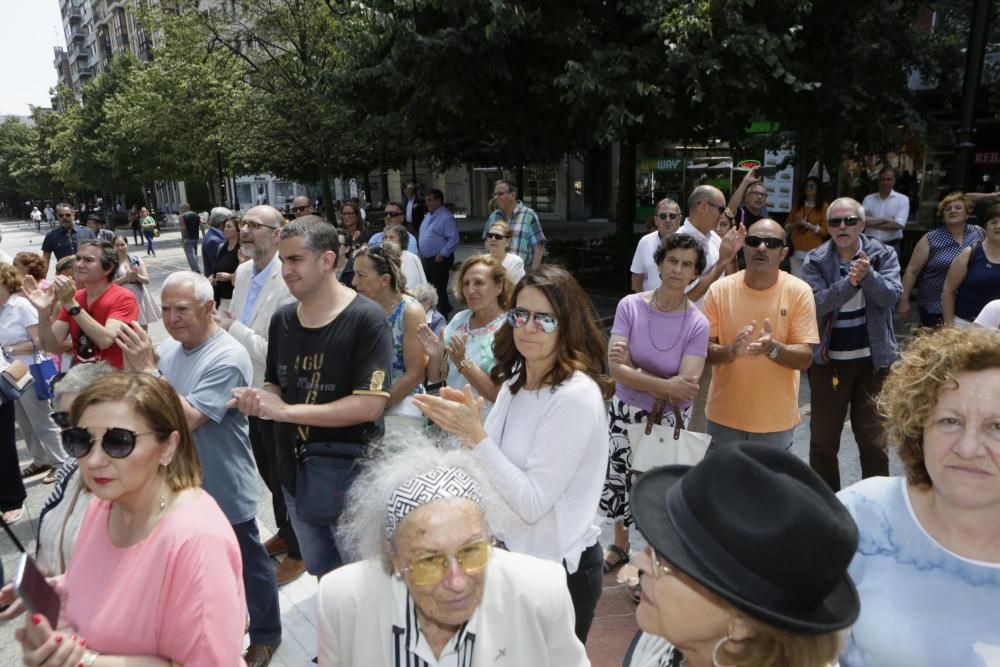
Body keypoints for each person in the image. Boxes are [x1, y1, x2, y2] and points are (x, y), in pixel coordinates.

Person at [413, 265, 615, 643]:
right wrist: (467, 427)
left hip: (558, 574)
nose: (528, 327)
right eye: (520, 314)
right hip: (511, 560)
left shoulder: (575, 395)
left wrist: (474, 434)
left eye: (545, 319)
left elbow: (531, 501)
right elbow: (489, 466)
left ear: (568, 323)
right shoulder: (518, 378)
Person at [2, 372, 248, 665]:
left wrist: (84, 661)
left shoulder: (198, 541)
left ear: (168, 446)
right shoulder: (105, 505)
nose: (93, 460)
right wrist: (57, 590)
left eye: (118, 442)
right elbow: (115, 582)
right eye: (79, 440)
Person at [116, 271, 282, 666]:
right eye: (167, 308)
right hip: (178, 485)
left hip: (222, 482)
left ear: (209, 308)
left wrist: (150, 372)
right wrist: (137, 370)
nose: (171, 318)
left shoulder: (227, 355)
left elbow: (186, 418)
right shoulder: (173, 350)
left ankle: (266, 634)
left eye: (182, 309)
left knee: (248, 563)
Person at [317, 438, 589, 666]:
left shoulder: (541, 592)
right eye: (430, 560)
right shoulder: (342, 600)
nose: (457, 582)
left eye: (471, 551)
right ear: (395, 557)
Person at [232, 216, 393, 578]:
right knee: (324, 575)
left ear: (327, 260)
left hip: (352, 480)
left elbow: (369, 405)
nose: (285, 270)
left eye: (295, 260)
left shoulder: (366, 319)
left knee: (362, 583)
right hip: (295, 477)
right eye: (283, 259)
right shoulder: (284, 319)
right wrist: (260, 398)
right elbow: (275, 381)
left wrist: (286, 412)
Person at [837, 325, 1000, 665]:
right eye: (949, 421)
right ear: (918, 425)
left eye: (997, 427)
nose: (968, 449)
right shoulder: (860, 517)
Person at [624, 441, 859, 667]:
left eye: (665, 561)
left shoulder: (669, 634)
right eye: (653, 548)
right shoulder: (662, 643)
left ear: (742, 625)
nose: (638, 561)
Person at [600, 234, 709, 581]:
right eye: (672, 260)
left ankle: (645, 561)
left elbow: (686, 387)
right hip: (624, 410)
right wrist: (663, 381)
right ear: (659, 263)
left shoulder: (697, 323)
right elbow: (616, 370)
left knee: (652, 489)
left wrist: (637, 370)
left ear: (695, 273)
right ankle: (618, 545)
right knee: (619, 479)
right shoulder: (630, 306)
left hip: (667, 421)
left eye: (687, 264)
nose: (678, 269)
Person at [219, 205, 303, 586]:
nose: (246, 230)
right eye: (244, 223)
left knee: (287, 473)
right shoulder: (241, 272)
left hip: (278, 393)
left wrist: (232, 328)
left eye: (255, 225)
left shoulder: (289, 281)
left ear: (276, 233)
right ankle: (286, 532)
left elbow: (277, 351)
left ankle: (301, 550)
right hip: (246, 391)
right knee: (267, 469)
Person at [802, 198, 901, 490]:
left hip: (873, 363)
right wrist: (851, 283)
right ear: (828, 227)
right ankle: (826, 504)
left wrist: (868, 276)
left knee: (873, 441)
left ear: (862, 224)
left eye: (849, 221)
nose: (842, 227)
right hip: (829, 363)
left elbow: (890, 297)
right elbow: (816, 305)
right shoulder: (816, 260)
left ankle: (876, 503)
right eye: (835, 222)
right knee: (823, 441)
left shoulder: (883, 255)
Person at [704, 219, 818, 448]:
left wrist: (772, 349)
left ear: (783, 252)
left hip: (775, 424)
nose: (761, 248)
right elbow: (703, 352)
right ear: (744, 247)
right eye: (754, 241)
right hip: (723, 419)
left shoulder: (799, 291)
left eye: (772, 243)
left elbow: (805, 358)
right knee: (721, 485)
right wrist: (732, 351)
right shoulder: (719, 290)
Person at [34, 363, 115, 577]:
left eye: (83, 419)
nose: (72, 431)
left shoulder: (132, 482)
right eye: (63, 420)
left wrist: (65, 586)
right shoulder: (70, 468)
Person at [0, 264, 66, 489]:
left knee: (42, 420)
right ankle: (41, 459)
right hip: (7, 375)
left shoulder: (20, 306)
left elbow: (40, 342)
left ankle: (61, 462)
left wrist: (9, 349)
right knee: (23, 420)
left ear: (5, 283)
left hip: (28, 371)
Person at [418, 255, 510, 414]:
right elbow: (437, 376)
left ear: (499, 287)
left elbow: (497, 394)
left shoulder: (509, 329)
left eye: (479, 283)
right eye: (466, 283)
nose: (470, 290)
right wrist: (435, 355)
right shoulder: (460, 320)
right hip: (454, 422)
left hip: (486, 428)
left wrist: (463, 361)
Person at [26, 239, 139, 369]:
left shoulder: (123, 297)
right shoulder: (74, 298)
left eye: (88, 260)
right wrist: (43, 313)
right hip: (83, 381)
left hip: (115, 383)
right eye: (78, 258)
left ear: (108, 268)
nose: (79, 264)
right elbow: (50, 346)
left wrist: (71, 305)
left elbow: (105, 340)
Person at [353, 244, 427, 429]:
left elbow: (415, 374)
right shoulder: (357, 308)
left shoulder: (410, 311)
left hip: (402, 404)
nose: (354, 282)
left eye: (361, 275)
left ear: (385, 279)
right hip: (363, 402)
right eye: (355, 274)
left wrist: (378, 404)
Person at [899, 192, 986, 328]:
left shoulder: (979, 233)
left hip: (968, 304)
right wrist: (904, 300)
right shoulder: (931, 238)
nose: (953, 211)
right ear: (942, 216)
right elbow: (912, 271)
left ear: (967, 214)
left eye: (958, 207)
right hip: (934, 305)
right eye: (948, 209)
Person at [942, 202, 1000, 325]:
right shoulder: (970, 253)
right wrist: (948, 327)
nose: (998, 226)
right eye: (993, 222)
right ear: (985, 227)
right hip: (965, 326)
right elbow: (948, 290)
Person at [482, 179, 546, 270]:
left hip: (521, 274)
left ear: (512, 195)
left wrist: (532, 275)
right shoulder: (494, 216)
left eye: (500, 194)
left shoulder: (529, 215)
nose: (496, 197)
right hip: (497, 273)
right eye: (495, 194)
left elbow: (538, 247)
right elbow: (486, 242)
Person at [418, 188, 460, 317]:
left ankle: (442, 316)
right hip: (427, 258)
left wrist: (442, 254)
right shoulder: (430, 215)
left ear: (439, 200)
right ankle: (435, 312)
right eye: (426, 200)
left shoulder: (445, 216)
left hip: (438, 259)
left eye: (430, 200)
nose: (427, 203)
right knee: (429, 289)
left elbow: (454, 238)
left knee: (438, 290)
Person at [630, 198, 683, 292]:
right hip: (651, 304)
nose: (667, 220)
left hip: (682, 304)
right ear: (656, 220)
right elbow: (637, 276)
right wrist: (640, 304)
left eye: (672, 216)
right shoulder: (645, 242)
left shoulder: (690, 242)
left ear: (679, 219)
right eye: (663, 216)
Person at [112, 235, 160, 329]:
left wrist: (137, 276)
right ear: (113, 246)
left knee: (142, 329)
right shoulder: (111, 263)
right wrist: (125, 278)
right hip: (122, 298)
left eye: (122, 244)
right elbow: (109, 285)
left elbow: (146, 280)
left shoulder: (136, 260)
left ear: (127, 245)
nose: (120, 248)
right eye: (117, 245)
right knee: (127, 329)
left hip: (139, 296)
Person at [786, 176, 830, 277]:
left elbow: (825, 231)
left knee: (811, 281)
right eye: (806, 186)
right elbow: (786, 226)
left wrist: (808, 225)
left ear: (818, 188)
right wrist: (797, 223)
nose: (808, 189)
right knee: (796, 280)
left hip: (813, 253)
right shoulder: (798, 205)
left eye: (811, 186)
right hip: (796, 251)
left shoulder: (823, 206)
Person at [861, 166, 910, 255]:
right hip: (870, 246)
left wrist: (871, 223)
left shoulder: (903, 200)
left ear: (894, 181)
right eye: (882, 179)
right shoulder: (868, 199)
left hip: (891, 246)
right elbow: (861, 220)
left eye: (888, 179)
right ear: (878, 181)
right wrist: (886, 220)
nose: (885, 182)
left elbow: (898, 224)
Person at [41, 204, 95, 274]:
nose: (64, 218)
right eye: (61, 215)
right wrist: (41, 280)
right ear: (57, 217)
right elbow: (45, 259)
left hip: (86, 274)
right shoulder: (51, 236)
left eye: (67, 215)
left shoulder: (87, 232)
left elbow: (97, 255)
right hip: (64, 277)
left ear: (73, 215)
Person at [212, 215, 243, 309]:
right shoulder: (221, 248)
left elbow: (247, 273)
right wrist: (212, 278)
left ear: (238, 230)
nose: (225, 229)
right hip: (219, 297)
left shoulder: (242, 250)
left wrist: (230, 276)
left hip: (234, 299)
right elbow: (216, 269)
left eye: (229, 226)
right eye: (225, 226)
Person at [484, 219, 525, 287]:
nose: (493, 239)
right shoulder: (481, 261)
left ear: (508, 242)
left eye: (498, 236)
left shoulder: (515, 262)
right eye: (490, 235)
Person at [383, 223, 426, 287]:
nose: (387, 240)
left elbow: (410, 286)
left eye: (391, 237)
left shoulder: (409, 258)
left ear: (401, 240)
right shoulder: (384, 257)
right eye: (385, 237)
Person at [203, 206, 231, 278]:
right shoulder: (215, 240)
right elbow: (220, 267)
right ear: (222, 224)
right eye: (228, 224)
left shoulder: (213, 234)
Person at [179, 202, 201, 272]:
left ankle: (196, 269)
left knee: (190, 254)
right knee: (194, 254)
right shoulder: (195, 214)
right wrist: (204, 235)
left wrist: (182, 238)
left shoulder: (182, 216)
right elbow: (202, 225)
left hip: (187, 238)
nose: (180, 210)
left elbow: (183, 227)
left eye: (181, 208)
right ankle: (196, 267)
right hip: (196, 237)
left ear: (185, 208)